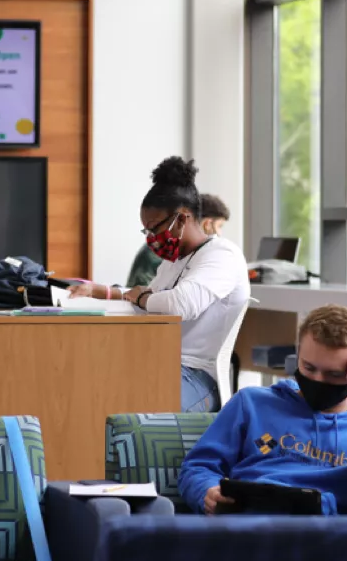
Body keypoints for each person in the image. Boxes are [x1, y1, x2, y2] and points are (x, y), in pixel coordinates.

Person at [177, 304, 347, 515]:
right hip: (250, 528)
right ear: (298, 355)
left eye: (334, 374)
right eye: (308, 367)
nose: (317, 379)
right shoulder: (252, 403)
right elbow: (198, 467)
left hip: (322, 542)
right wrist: (206, 492)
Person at [70, 157, 249, 413]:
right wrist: (125, 296)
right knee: (88, 395)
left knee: (126, 410)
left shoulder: (222, 254)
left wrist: (143, 297)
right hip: (157, 363)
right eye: (147, 231)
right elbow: (148, 303)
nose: (152, 239)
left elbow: (179, 305)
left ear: (182, 218)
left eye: (154, 228)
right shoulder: (172, 263)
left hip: (196, 376)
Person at [126, 192, 231, 287]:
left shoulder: (190, 252)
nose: (220, 233)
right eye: (220, 226)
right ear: (207, 224)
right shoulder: (165, 249)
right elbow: (141, 293)